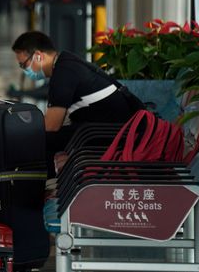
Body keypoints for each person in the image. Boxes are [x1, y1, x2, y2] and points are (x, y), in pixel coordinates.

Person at [12, 31, 143, 176]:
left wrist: (20, 131)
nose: (25, 70)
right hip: (108, 130)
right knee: (39, 138)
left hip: (111, 135)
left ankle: (44, 184)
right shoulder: (66, 62)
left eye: (24, 65)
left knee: (34, 141)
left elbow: (51, 125)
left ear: (38, 56)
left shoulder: (63, 73)